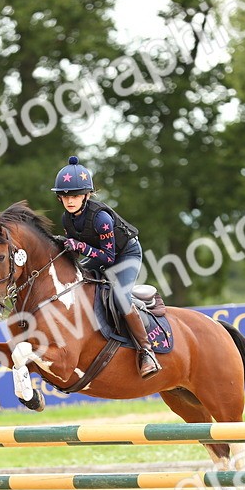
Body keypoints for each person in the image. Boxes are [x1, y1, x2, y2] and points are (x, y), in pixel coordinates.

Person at [50, 155, 161, 378]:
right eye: (64, 196)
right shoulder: (66, 219)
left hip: (125, 254)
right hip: (102, 254)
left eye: (75, 195)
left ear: (87, 195)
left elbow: (108, 259)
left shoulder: (101, 218)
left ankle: (146, 351)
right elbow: (79, 250)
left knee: (120, 296)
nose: (70, 200)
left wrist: (79, 246)